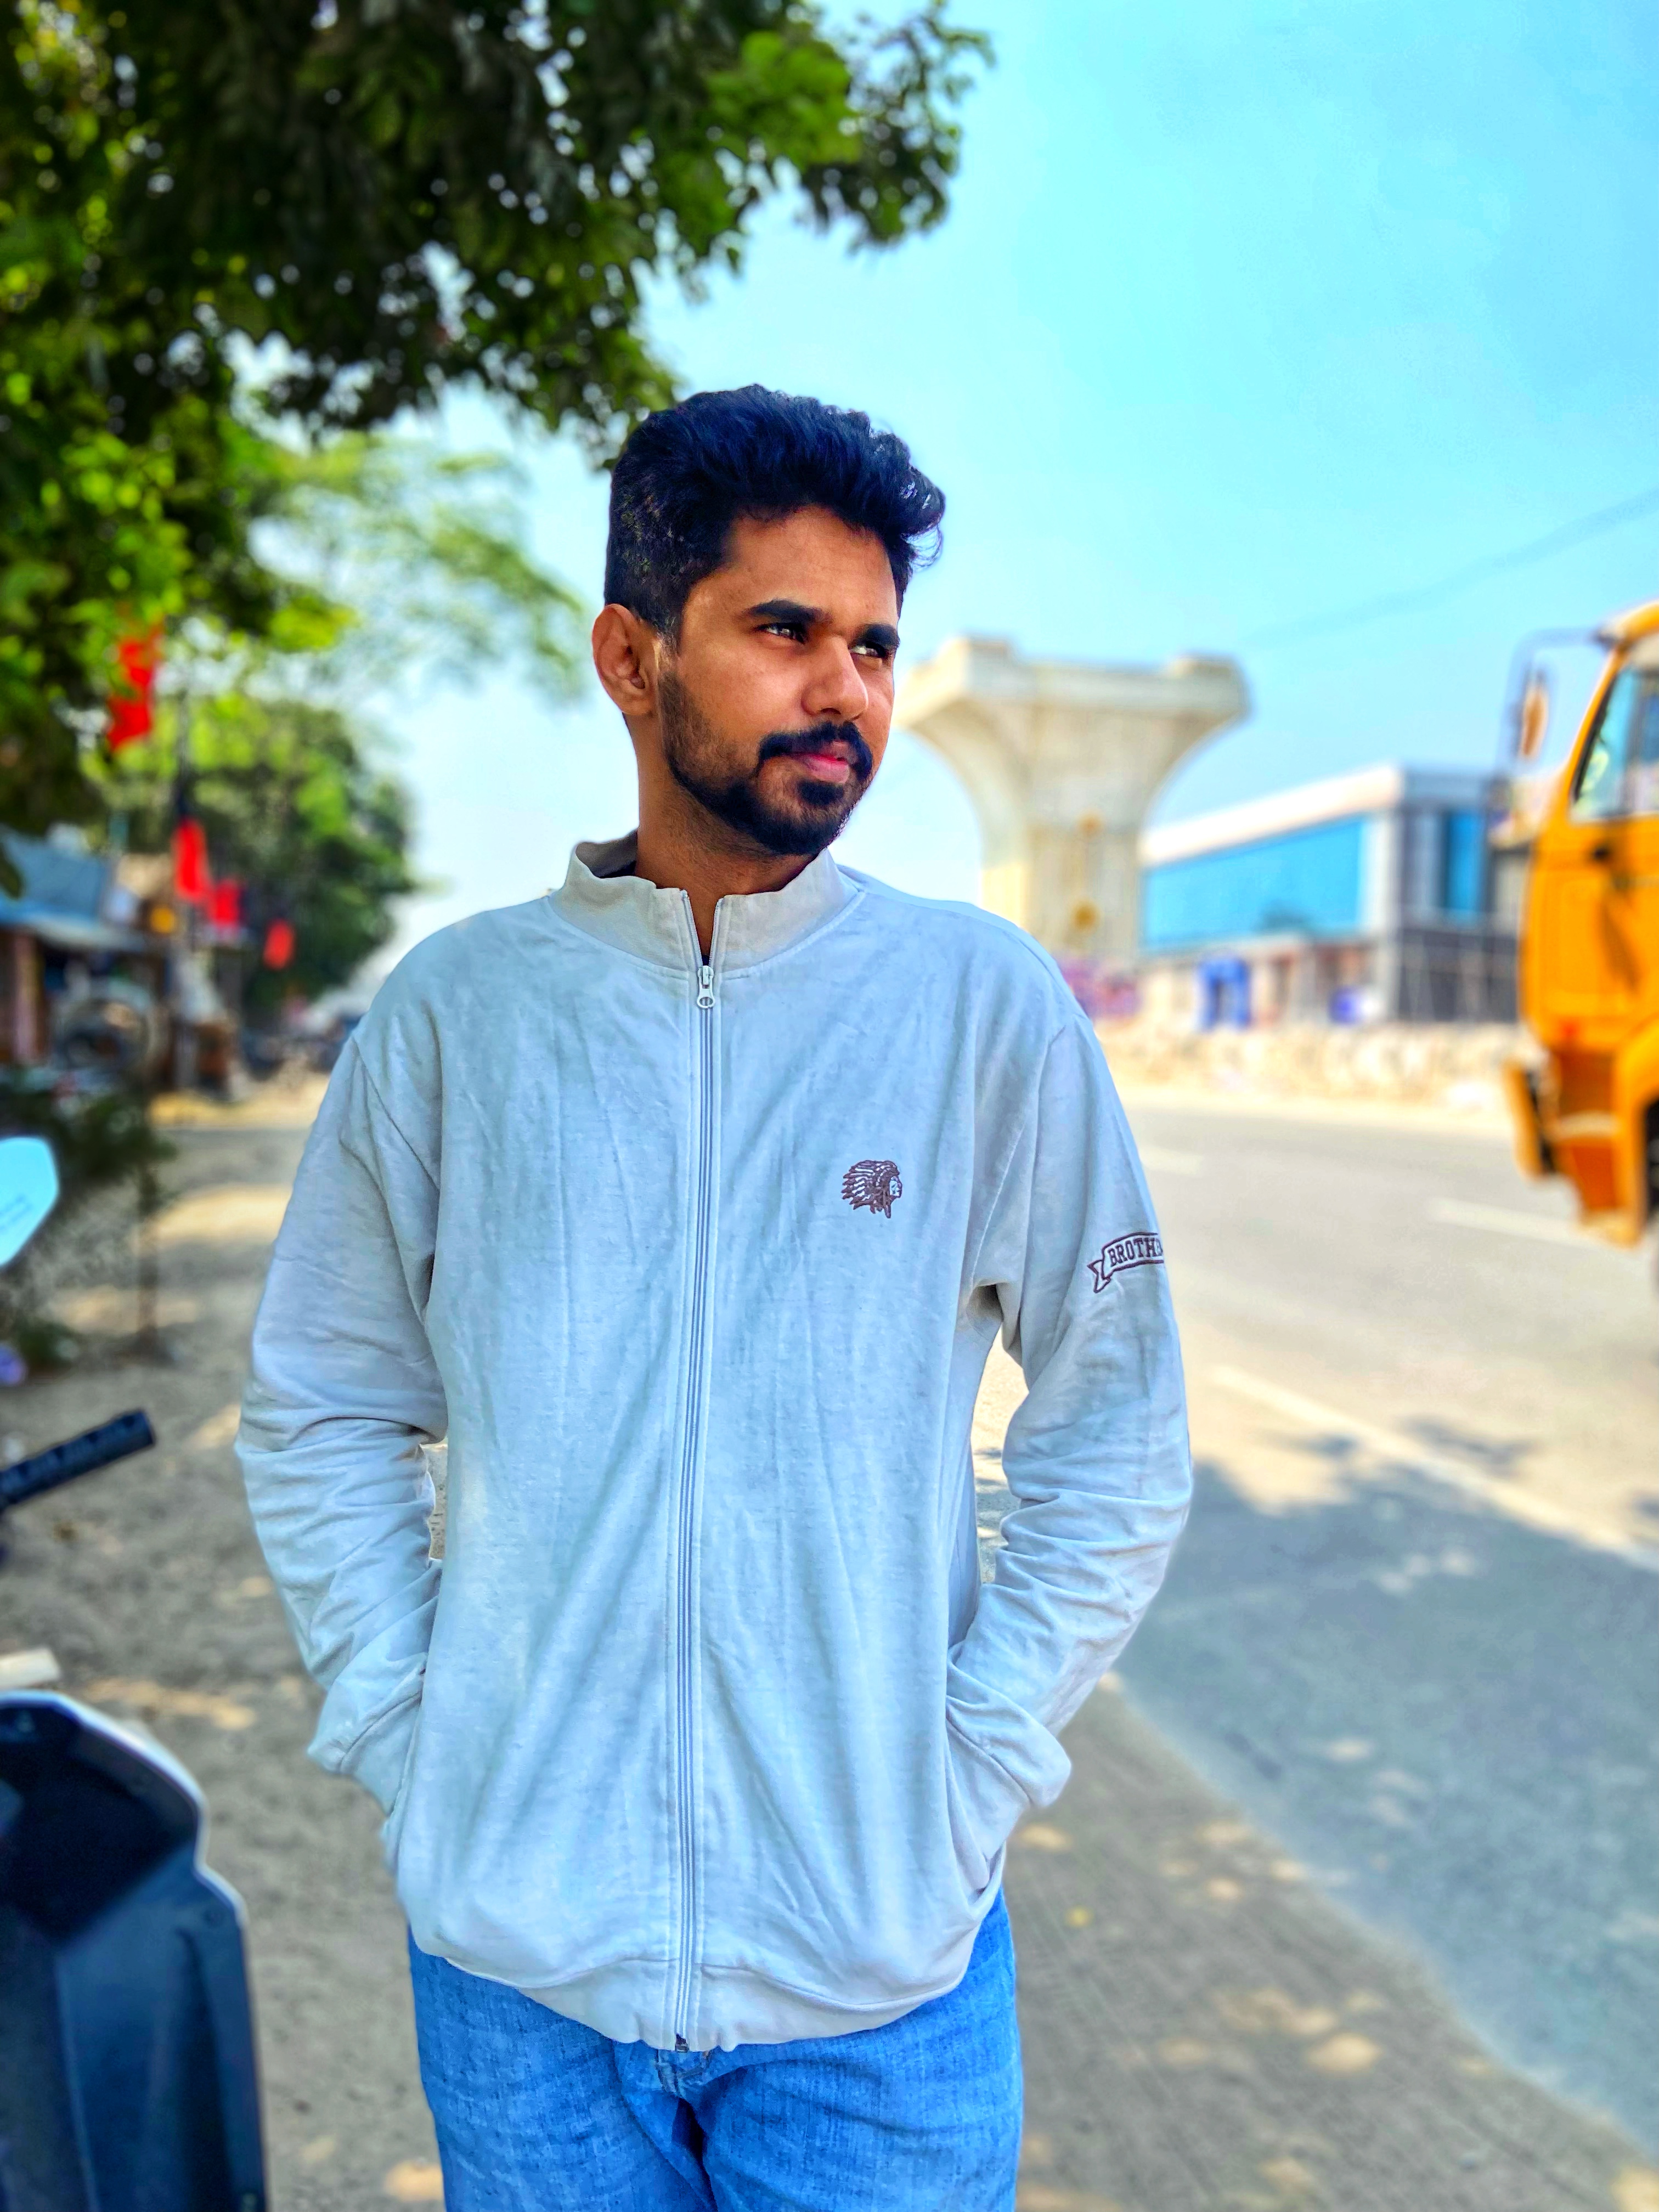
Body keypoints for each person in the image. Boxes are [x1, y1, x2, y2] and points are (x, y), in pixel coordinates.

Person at [238, 386, 1191, 2211]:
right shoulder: (459, 1019)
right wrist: (409, 1736)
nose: (847, 690)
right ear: (632, 654)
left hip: (876, 1993)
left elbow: (1118, 1428)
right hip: (522, 1983)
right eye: (785, 630)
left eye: (876, 646)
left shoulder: (978, 1009)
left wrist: (970, 1770)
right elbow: (324, 1403)